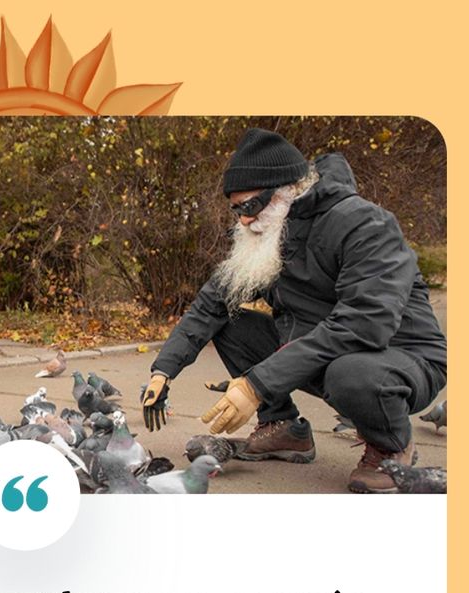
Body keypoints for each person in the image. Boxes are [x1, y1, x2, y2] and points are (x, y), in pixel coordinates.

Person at [140, 127, 447, 493]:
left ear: (287, 191)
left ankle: (391, 444)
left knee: (351, 373)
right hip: (322, 353)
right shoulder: (270, 234)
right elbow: (212, 303)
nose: (243, 220)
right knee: (230, 322)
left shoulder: (365, 224)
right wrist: (163, 370)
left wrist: (255, 385)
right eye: (236, 209)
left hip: (400, 358)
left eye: (250, 206)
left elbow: (363, 325)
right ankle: (283, 428)